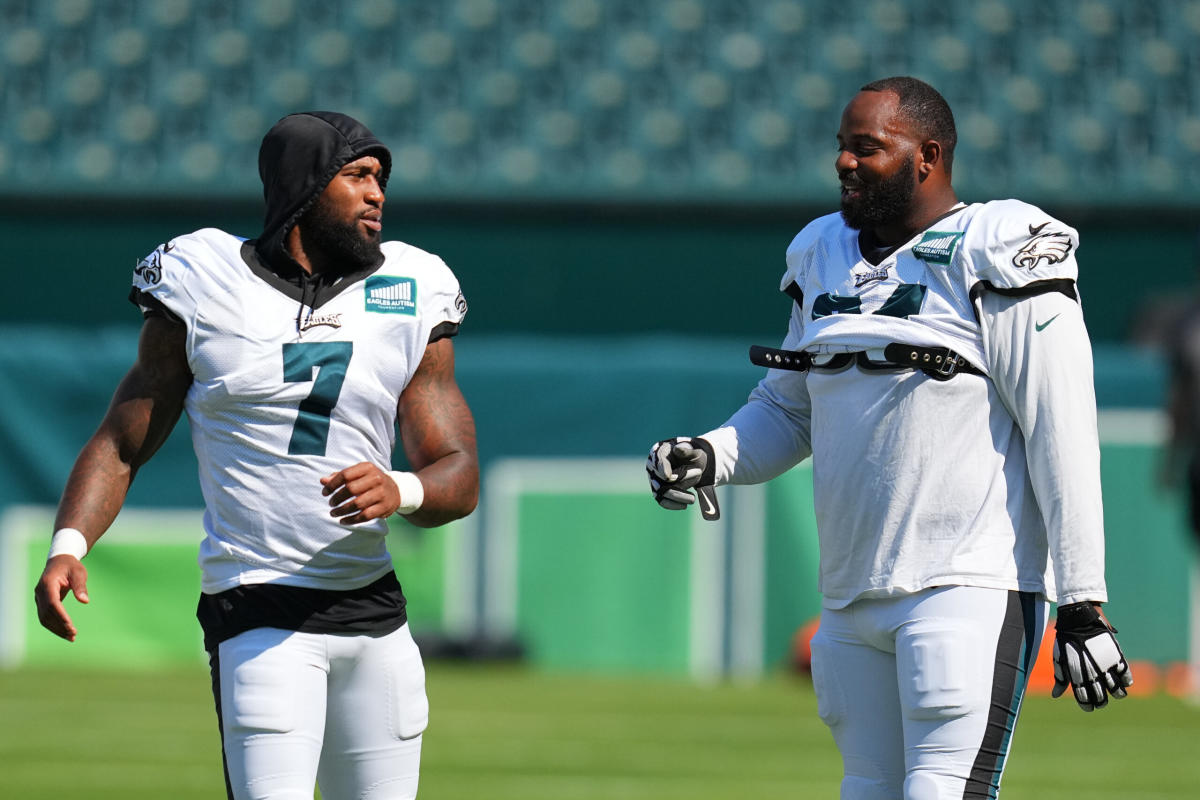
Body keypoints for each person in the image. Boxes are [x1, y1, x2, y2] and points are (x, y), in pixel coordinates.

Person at [647, 77, 1132, 799]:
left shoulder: (997, 244)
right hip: (849, 589)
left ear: (927, 156)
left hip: (966, 579)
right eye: (841, 148)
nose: (844, 162)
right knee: (865, 790)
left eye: (866, 148)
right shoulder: (820, 251)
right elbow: (789, 410)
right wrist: (712, 455)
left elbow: (1061, 429)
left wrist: (1083, 602)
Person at [34, 111, 479, 800]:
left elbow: (457, 472)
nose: (377, 195)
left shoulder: (412, 286)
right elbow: (123, 442)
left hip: (376, 620)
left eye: (381, 179)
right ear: (305, 187)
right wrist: (68, 544)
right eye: (357, 175)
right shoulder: (203, 277)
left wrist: (403, 490)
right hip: (260, 614)